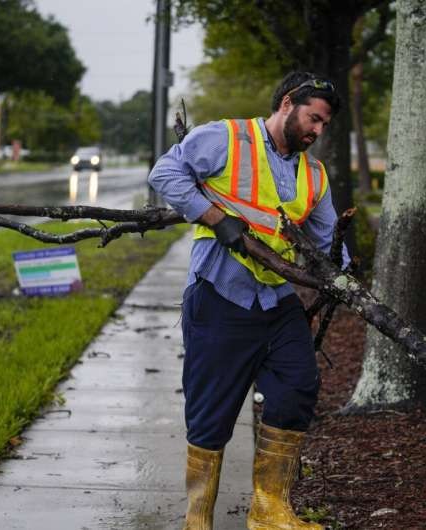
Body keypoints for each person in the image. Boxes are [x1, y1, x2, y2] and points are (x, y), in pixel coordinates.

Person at [148, 71, 346, 529]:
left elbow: (328, 242)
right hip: (219, 293)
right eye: (314, 118)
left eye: (324, 125)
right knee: (210, 411)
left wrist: (345, 278)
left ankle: (269, 512)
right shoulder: (227, 138)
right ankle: (198, 517)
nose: (317, 131)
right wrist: (216, 218)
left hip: (276, 300)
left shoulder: (313, 174)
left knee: (298, 386)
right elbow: (165, 173)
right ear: (288, 103)